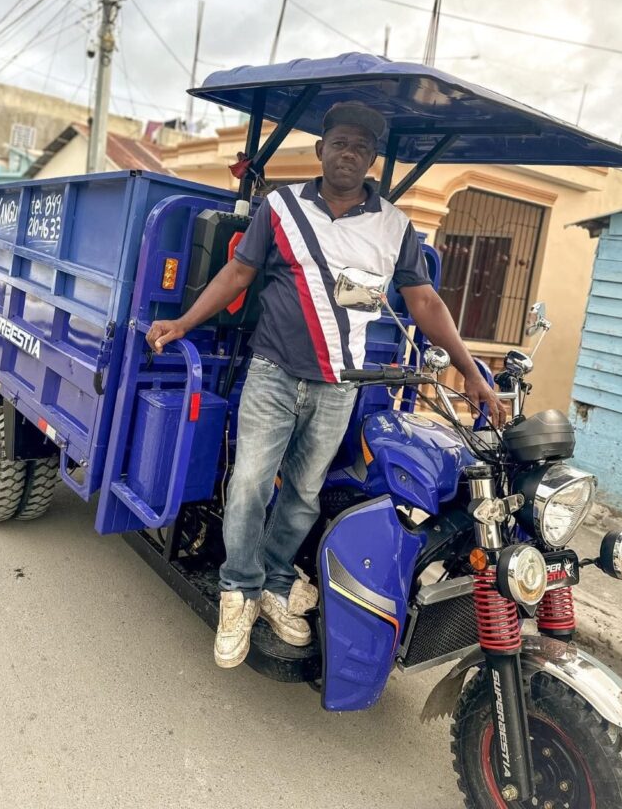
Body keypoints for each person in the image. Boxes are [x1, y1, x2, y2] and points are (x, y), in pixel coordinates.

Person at [146, 101, 505, 669]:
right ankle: (238, 592)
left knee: (302, 495)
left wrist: (474, 372)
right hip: (272, 373)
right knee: (249, 484)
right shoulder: (281, 207)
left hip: (339, 385)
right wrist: (184, 322)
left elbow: (425, 302)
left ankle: (275, 581)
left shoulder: (394, 227)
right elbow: (237, 273)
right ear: (320, 149)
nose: (348, 154)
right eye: (339, 142)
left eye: (361, 147)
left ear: (372, 159)